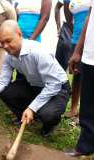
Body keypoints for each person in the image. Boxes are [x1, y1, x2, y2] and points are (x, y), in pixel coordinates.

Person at [0, 20, 71, 137]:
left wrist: (32, 108)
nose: (5, 46)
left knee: (48, 115)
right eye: (2, 43)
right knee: (5, 91)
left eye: (8, 41)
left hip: (58, 88)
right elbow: (2, 81)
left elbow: (53, 85)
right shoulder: (8, 56)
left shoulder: (38, 52)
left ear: (19, 34)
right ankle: (25, 116)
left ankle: (48, 124)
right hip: (35, 85)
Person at [55, 0, 91, 118]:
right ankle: (74, 108)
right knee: (77, 74)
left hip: (91, 39)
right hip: (76, 38)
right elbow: (69, 19)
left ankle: (86, 111)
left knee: (89, 75)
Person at [67, 2, 94, 156]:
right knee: (87, 104)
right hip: (90, 54)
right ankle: (85, 146)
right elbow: (90, 18)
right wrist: (78, 50)